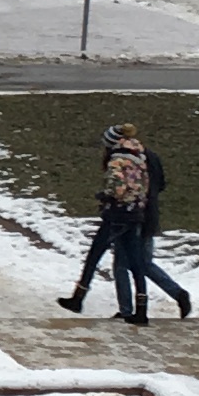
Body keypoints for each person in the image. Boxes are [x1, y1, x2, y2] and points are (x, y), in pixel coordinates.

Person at [58, 124, 143, 314]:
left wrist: (105, 195)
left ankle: (78, 298)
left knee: (94, 256)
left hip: (116, 215)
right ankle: (141, 307)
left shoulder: (117, 160)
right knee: (136, 262)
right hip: (135, 213)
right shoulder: (139, 156)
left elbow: (117, 189)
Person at [114, 127, 190, 324]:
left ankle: (126, 310)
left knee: (122, 264)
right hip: (150, 215)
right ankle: (178, 294)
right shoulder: (151, 156)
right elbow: (162, 184)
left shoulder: (124, 160)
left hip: (130, 215)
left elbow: (119, 189)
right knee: (144, 263)